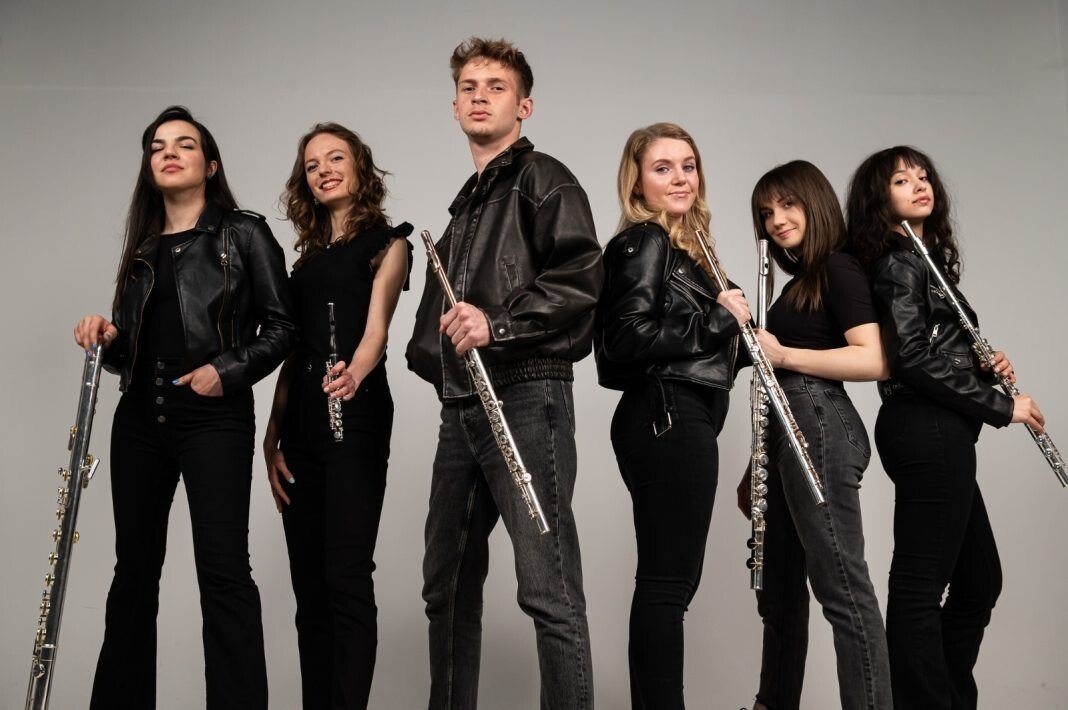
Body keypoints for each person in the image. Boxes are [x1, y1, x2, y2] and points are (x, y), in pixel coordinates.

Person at [73, 105, 296, 709]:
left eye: (185, 144)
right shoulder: (143, 247)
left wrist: (226, 372)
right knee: (132, 574)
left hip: (213, 420)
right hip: (139, 420)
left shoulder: (243, 233)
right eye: (158, 147)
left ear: (210, 164)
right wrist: (105, 337)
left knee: (224, 574)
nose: (169, 153)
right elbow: (131, 350)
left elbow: (283, 327)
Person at [406, 36, 602, 710]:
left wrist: (497, 324)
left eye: (496, 87)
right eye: (468, 87)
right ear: (454, 106)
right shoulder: (464, 209)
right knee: (445, 588)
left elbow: (581, 280)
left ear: (525, 106)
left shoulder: (545, 178)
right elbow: (435, 334)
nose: (480, 96)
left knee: (549, 589)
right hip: (462, 408)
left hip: (527, 395)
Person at [845, 145, 1045, 710]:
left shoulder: (921, 260)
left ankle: (947, 697)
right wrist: (1001, 405)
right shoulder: (898, 262)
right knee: (919, 584)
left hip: (939, 429)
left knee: (979, 581)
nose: (919, 185)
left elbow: (932, 349)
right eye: (901, 180)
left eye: (923, 175)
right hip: (924, 426)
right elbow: (908, 356)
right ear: (878, 199)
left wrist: (981, 364)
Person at [594, 122, 749, 709]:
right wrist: (719, 320)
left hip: (677, 414)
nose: (681, 177)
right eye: (663, 168)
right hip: (666, 412)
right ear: (637, 182)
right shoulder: (644, 241)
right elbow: (624, 338)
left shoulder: (690, 251)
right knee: (667, 584)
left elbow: (706, 347)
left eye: (688, 165)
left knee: (669, 583)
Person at [262, 123, 413, 709]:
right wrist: (271, 439)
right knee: (310, 590)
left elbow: (377, 331)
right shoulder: (303, 264)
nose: (324, 170)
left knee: (346, 577)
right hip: (300, 427)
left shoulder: (388, 243)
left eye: (336, 158)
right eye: (312, 165)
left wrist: (355, 373)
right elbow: (292, 353)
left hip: (357, 417)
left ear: (359, 167)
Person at [738, 160, 892, 710]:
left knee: (842, 586)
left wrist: (782, 353)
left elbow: (873, 359)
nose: (776, 220)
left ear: (815, 202)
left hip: (820, 424)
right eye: (766, 213)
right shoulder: (799, 283)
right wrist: (756, 465)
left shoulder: (838, 268)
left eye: (788, 204)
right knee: (779, 592)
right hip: (789, 431)